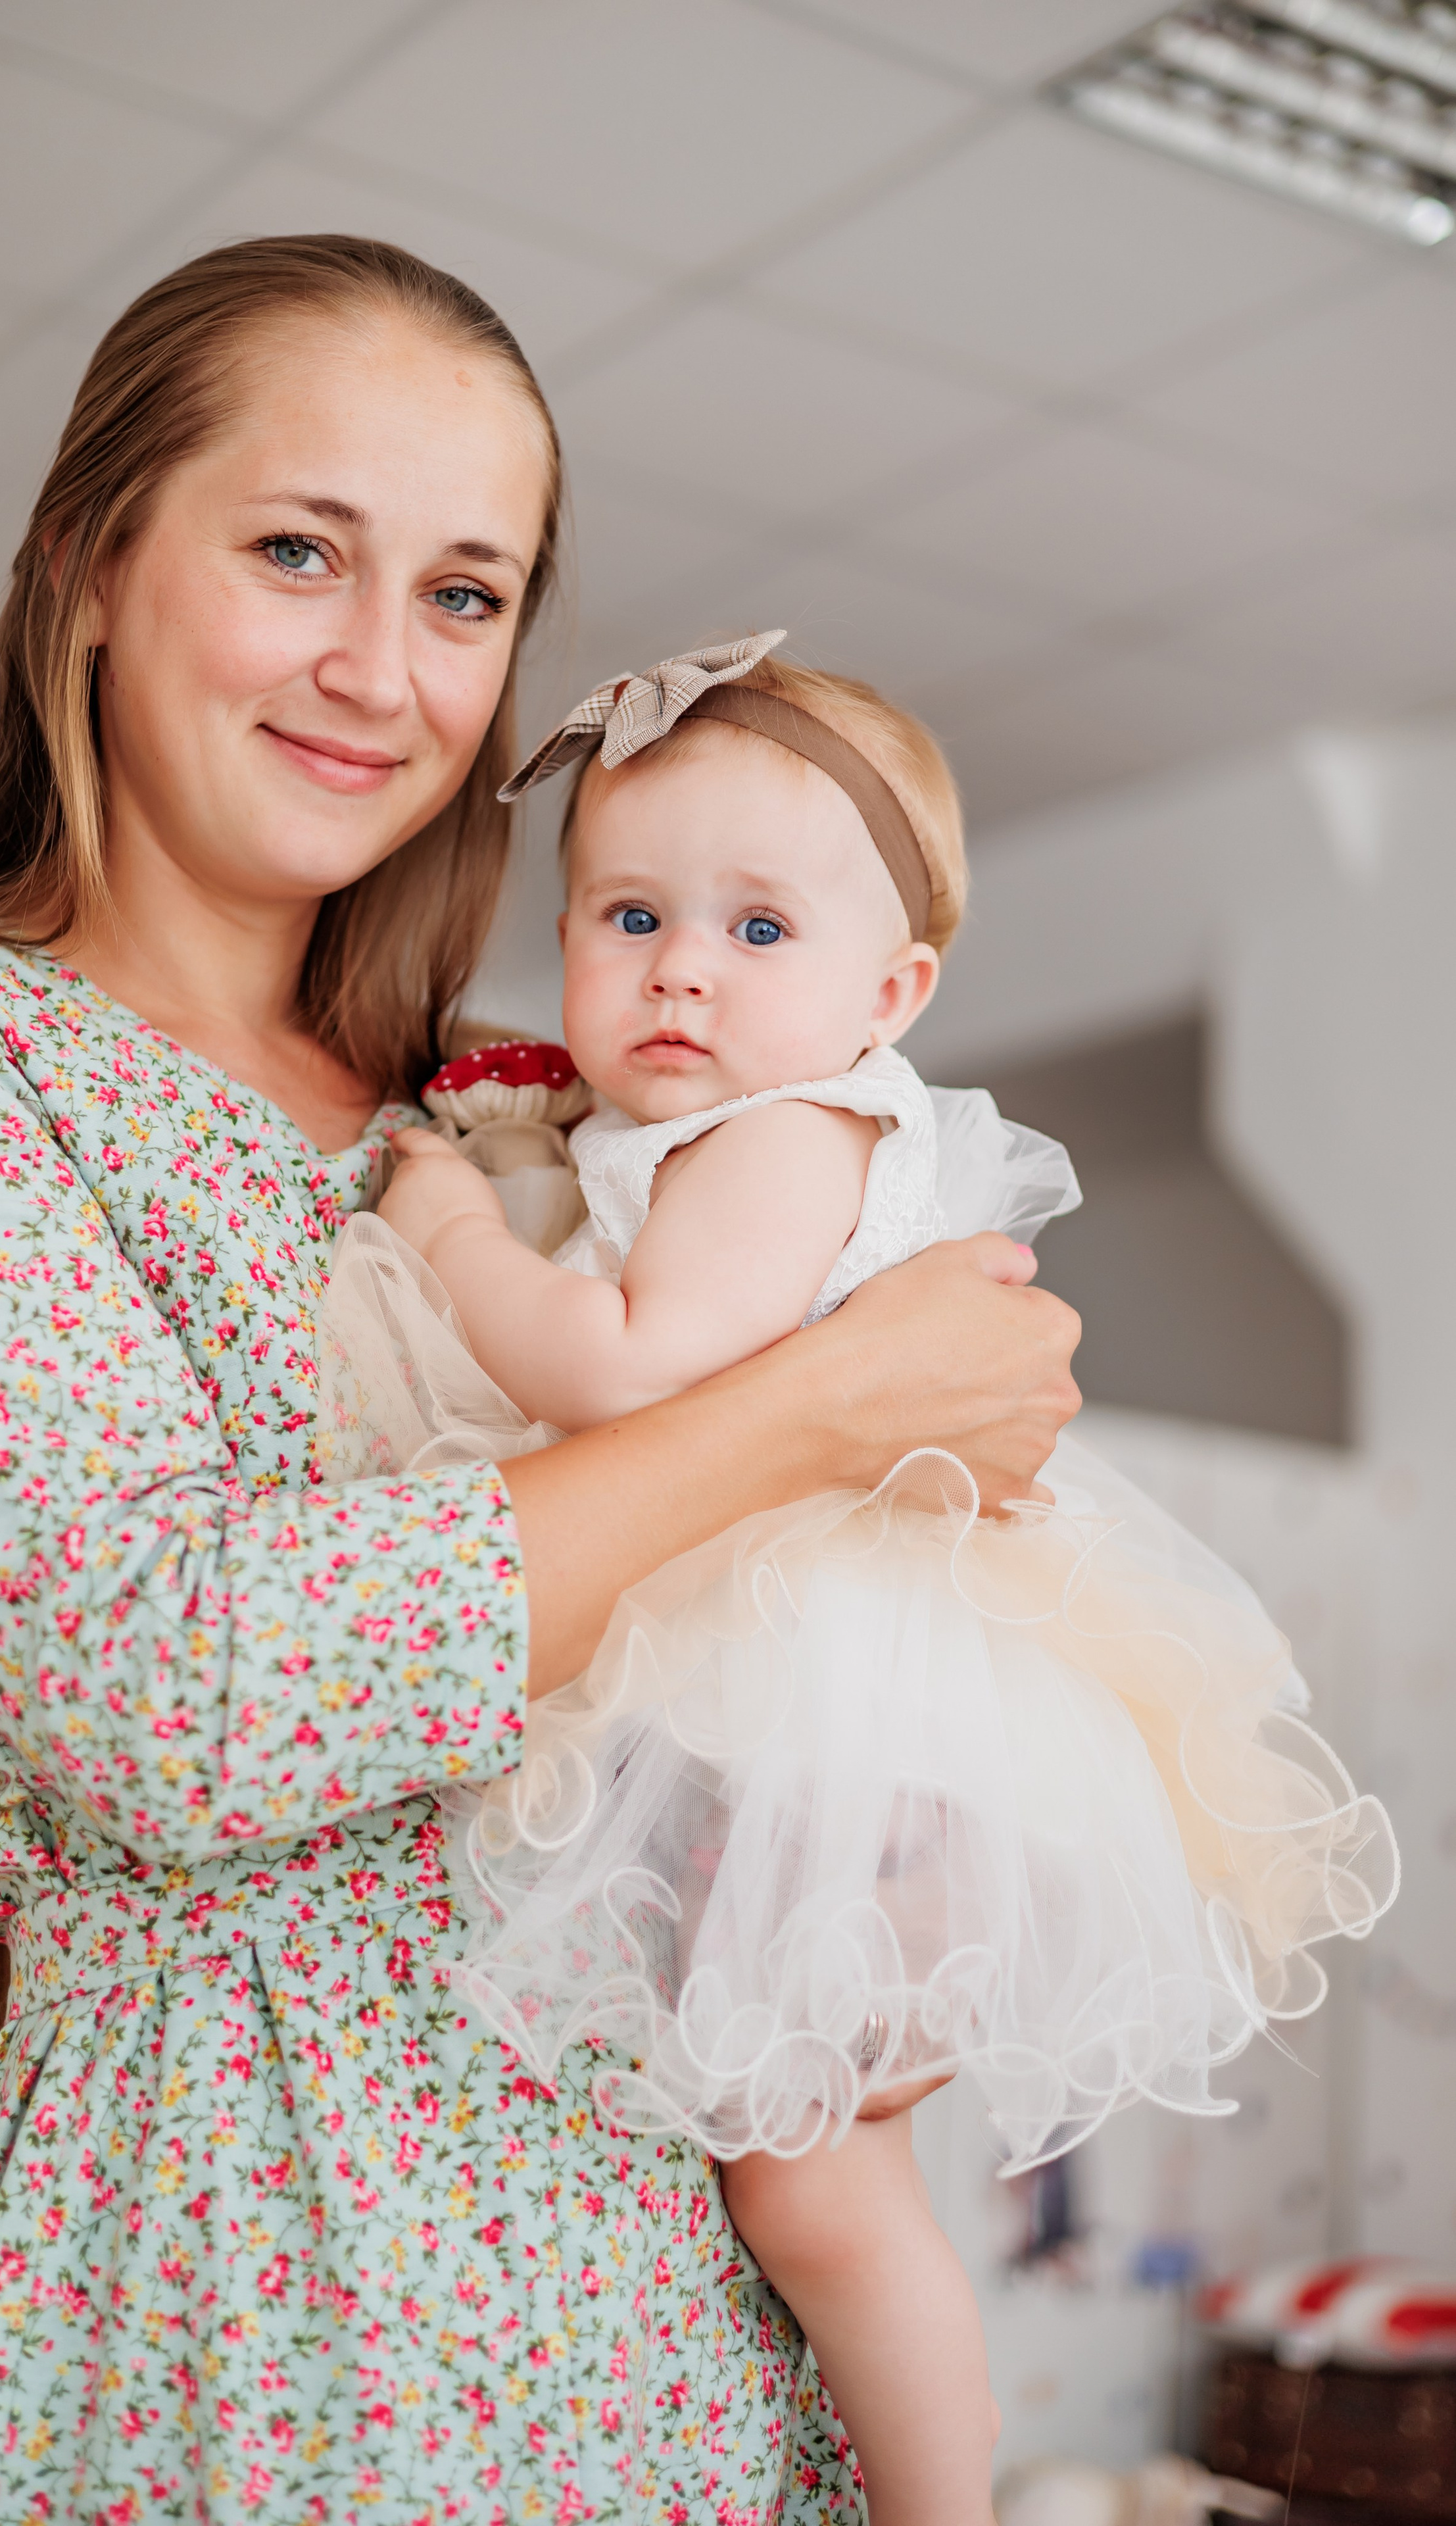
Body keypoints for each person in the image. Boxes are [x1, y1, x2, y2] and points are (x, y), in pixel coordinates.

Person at [0, 239, 1084, 2523]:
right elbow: (166, 1692)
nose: (383, 672)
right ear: (90, 563)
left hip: (692, 2314)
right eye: (300, 552)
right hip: (275, 2294)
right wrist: (823, 1407)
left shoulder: (497, 1111)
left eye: (466, 598)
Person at [338, 633, 1399, 2526]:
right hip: (778, 1705)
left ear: (890, 992)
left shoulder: (785, 1134)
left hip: (851, 1721)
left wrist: (437, 1220)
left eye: (760, 931)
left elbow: (615, 1370)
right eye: (632, 911)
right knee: (771, 2154)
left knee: (816, 2181)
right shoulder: (667, 1131)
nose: (680, 967)